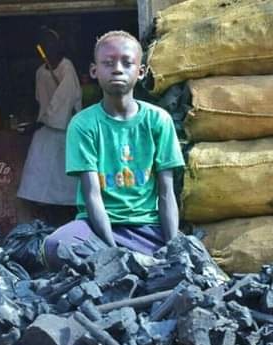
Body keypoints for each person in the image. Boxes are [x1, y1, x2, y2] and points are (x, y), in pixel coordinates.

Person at [43, 30, 185, 270]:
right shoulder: (83, 124)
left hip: (148, 229)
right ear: (94, 71)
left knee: (191, 255)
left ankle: (143, 263)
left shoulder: (158, 120)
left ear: (140, 72)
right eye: (108, 63)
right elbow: (92, 195)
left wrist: (171, 249)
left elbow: (166, 194)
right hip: (97, 229)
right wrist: (112, 252)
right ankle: (136, 264)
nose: (117, 69)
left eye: (127, 63)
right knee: (55, 245)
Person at [17, 27, 82, 209]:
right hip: (45, 128)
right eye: (44, 44)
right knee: (39, 180)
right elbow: (40, 100)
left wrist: (40, 122)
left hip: (64, 129)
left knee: (65, 182)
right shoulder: (40, 71)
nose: (47, 47)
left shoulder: (66, 67)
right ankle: (45, 219)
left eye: (51, 43)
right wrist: (38, 120)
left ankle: (67, 219)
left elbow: (65, 98)